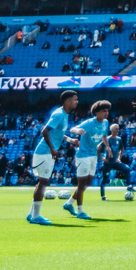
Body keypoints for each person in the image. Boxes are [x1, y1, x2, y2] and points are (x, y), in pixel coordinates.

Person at [27, 90, 79, 226]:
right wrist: (52, 148)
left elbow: (59, 134)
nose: (77, 102)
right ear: (68, 101)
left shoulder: (64, 115)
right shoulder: (59, 114)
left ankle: (32, 214)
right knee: (43, 182)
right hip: (45, 152)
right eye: (75, 100)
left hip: (46, 152)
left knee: (41, 182)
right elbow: (44, 130)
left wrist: (71, 141)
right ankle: (36, 216)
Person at [65, 100, 112, 220]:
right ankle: (80, 211)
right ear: (96, 113)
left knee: (88, 183)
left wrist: (107, 146)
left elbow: (104, 135)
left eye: (107, 111)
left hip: (93, 155)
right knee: (81, 185)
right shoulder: (90, 123)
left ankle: (69, 204)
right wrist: (78, 131)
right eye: (103, 111)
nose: (106, 113)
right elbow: (72, 129)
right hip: (83, 155)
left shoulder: (105, 123)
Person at [98, 123, 136, 201]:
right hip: (108, 163)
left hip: (115, 162)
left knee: (127, 169)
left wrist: (119, 157)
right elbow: (98, 148)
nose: (118, 130)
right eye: (116, 128)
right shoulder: (107, 139)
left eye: (118, 128)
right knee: (105, 179)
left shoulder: (119, 139)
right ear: (112, 130)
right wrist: (102, 158)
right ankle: (103, 196)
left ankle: (129, 185)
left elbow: (122, 149)